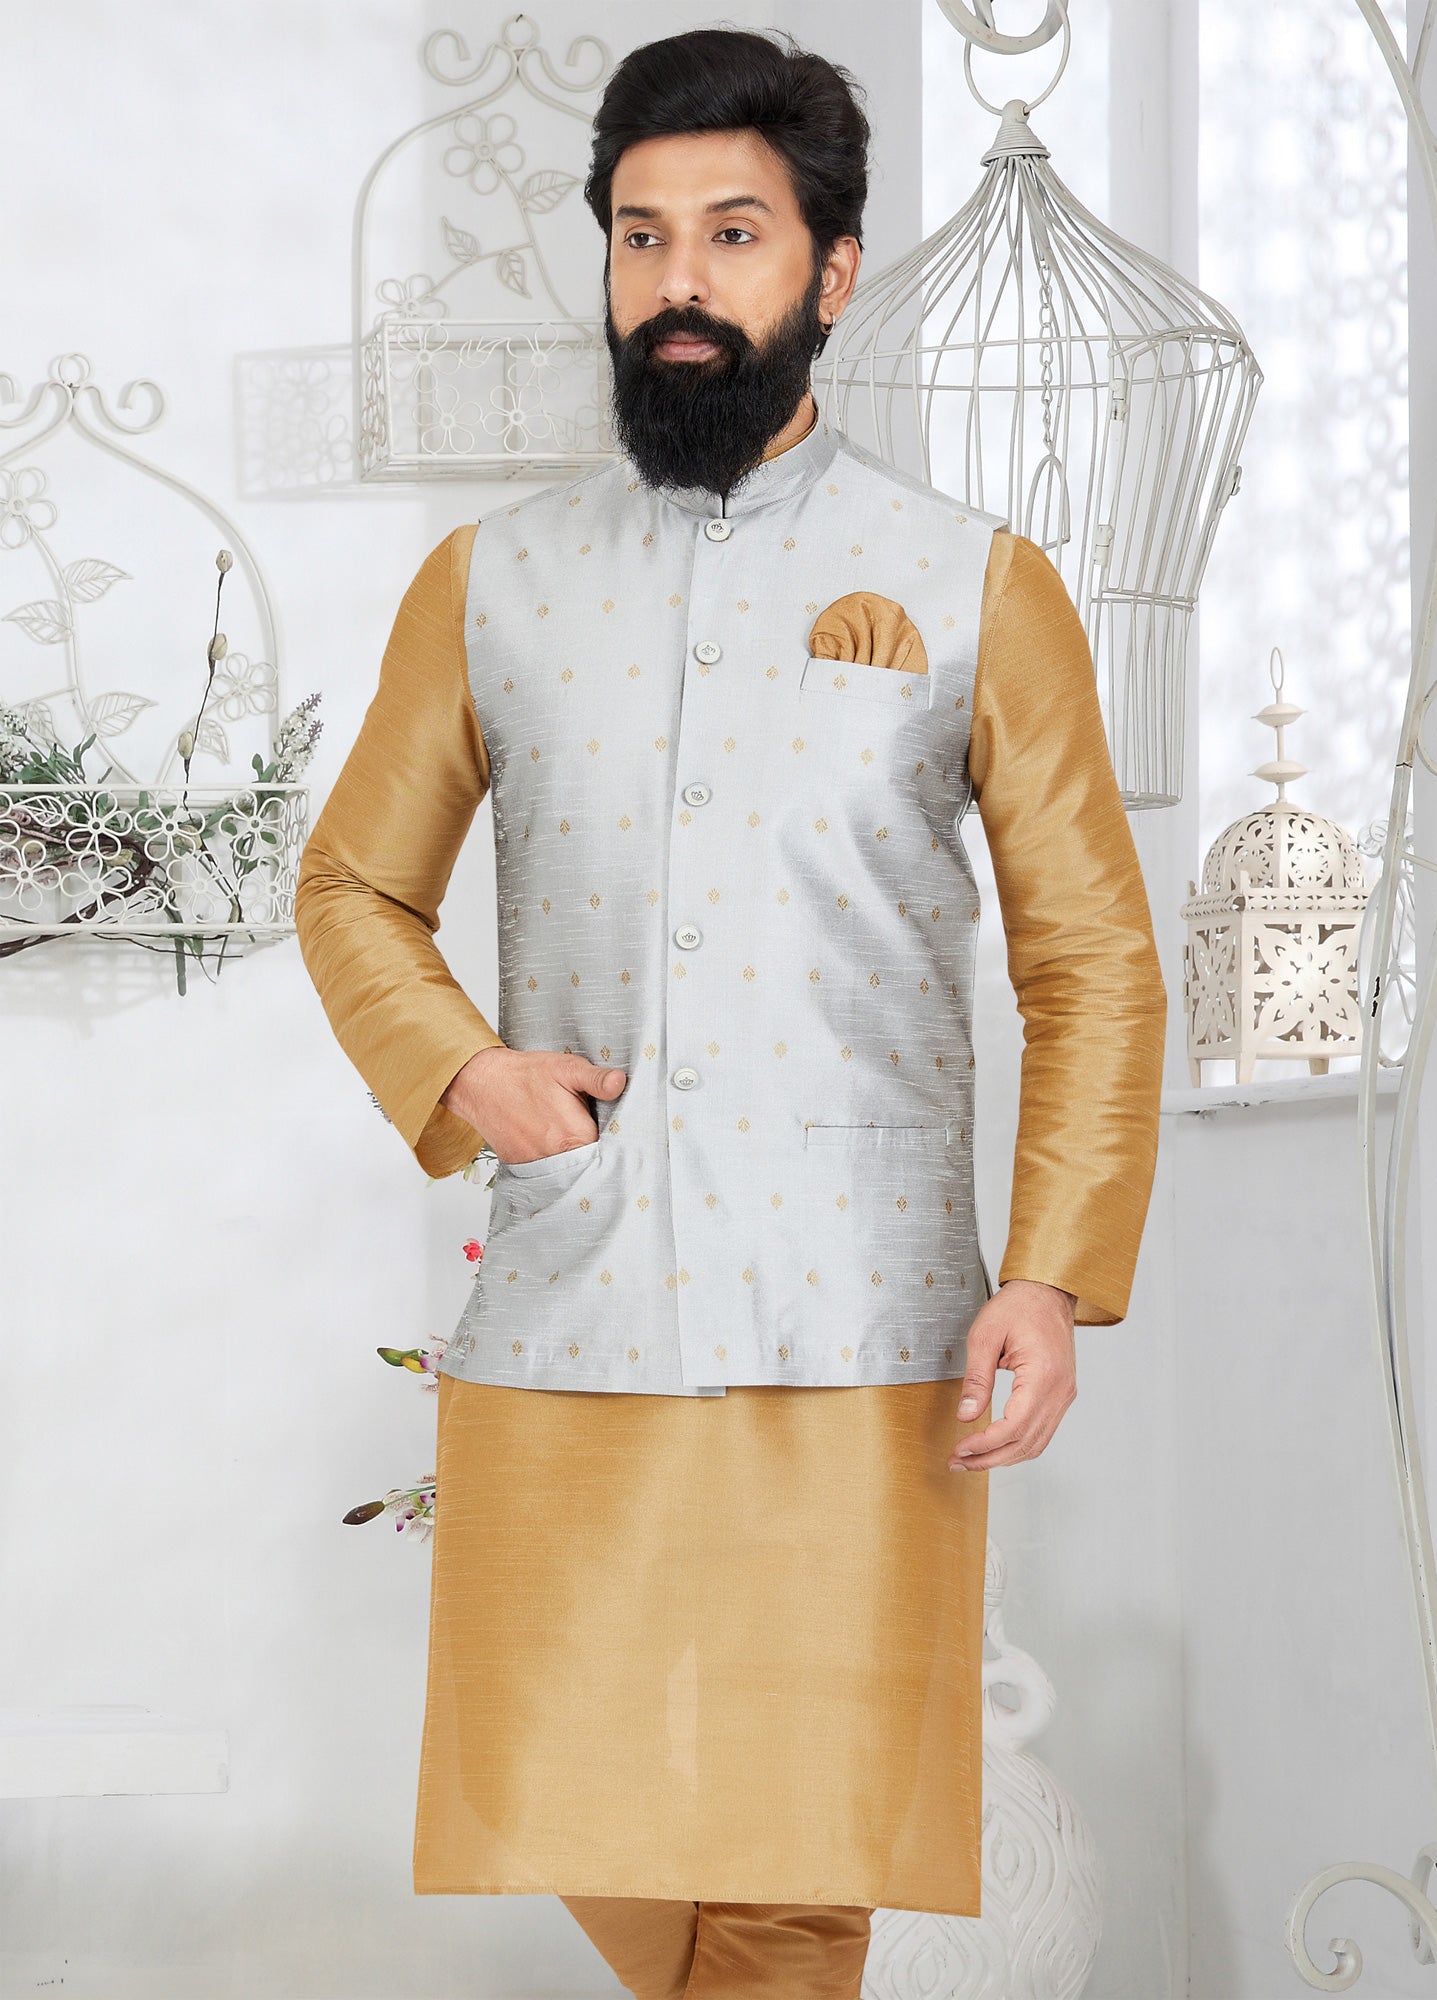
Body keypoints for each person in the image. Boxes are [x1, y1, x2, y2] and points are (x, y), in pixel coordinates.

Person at [294, 25, 1167, 2000]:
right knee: (567, 1799)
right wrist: (465, 1068)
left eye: (734, 234)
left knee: (795, 1860)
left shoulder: (972, 584)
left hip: (860, 1320)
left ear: (831, 272)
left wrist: (1052, 1272)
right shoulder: (493, 581)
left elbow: (1093, 957)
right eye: (642, 236)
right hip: (575, 1296)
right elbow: (352, 885)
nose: (679, 282)